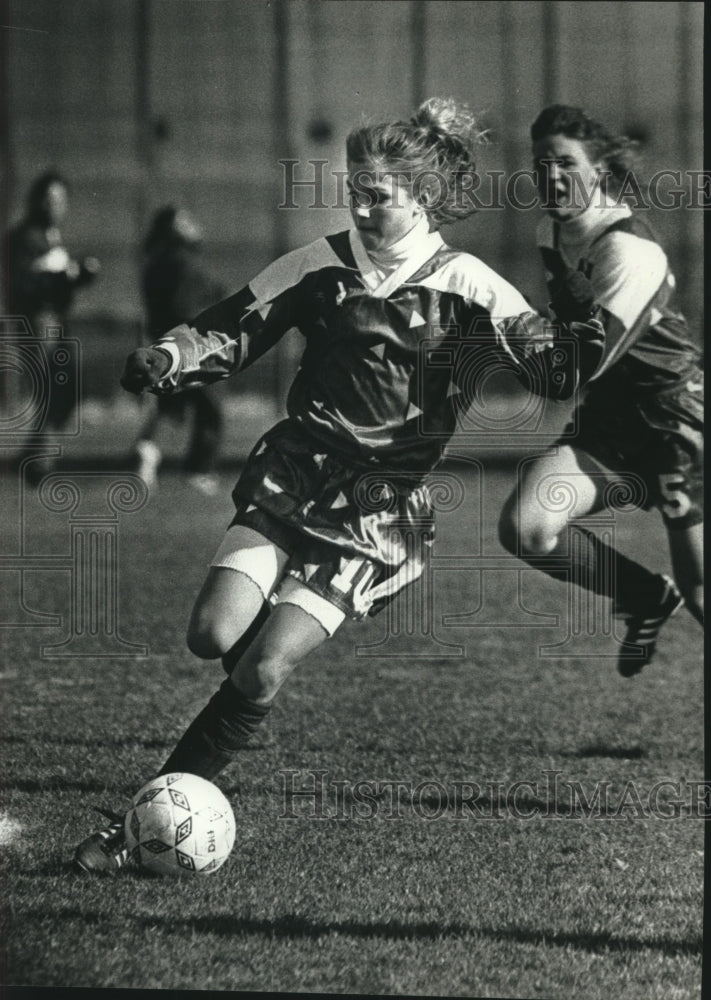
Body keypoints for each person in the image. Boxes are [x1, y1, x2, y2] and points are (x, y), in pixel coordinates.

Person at [73, 97, 605, 872]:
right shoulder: (319, 263)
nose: (358, 203)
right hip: (295, 473)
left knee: (262, 665)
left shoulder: (469, 284)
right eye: (352, 185)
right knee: (212, 636)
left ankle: (141, 823)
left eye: (376, 192)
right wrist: (170, 358)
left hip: (377, 511)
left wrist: (575, 318)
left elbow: (549, 368)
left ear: (420, 197)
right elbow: (233, 323)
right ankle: (205, 749)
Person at [498, 105, 703, 676]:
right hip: (612, 415)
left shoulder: (629, 251)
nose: (551, 177)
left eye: (566, 163)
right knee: (527, 527)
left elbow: (578, 366)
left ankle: (674, 592)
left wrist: (510, 342)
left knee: (704, 591)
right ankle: (644, 595)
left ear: (601, 168)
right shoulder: (551, 231)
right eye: (541, 164)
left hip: (672, 419)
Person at [5, 170, 100, 483]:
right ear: (36, 201)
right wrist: (65, 276)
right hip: (37, 320)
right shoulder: (25, 236)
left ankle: (33, 452)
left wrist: (77, 276)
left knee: (63, 387)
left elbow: (56, 280)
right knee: (52, 386)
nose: (53, 206)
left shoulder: (50, 235)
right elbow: (25, 284)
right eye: (47, 199)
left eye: (59, 200)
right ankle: (39, 461)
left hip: (55, 320)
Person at [133, 206, 226, 494]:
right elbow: (189, 306)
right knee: (210, 407)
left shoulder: (157, 262)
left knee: (169, 403)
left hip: (166, 342)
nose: (192, 224)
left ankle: (147, 449)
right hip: (194, 342)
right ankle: (200, 469)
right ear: (171, 230)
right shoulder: (184, 262)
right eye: (183, 221)